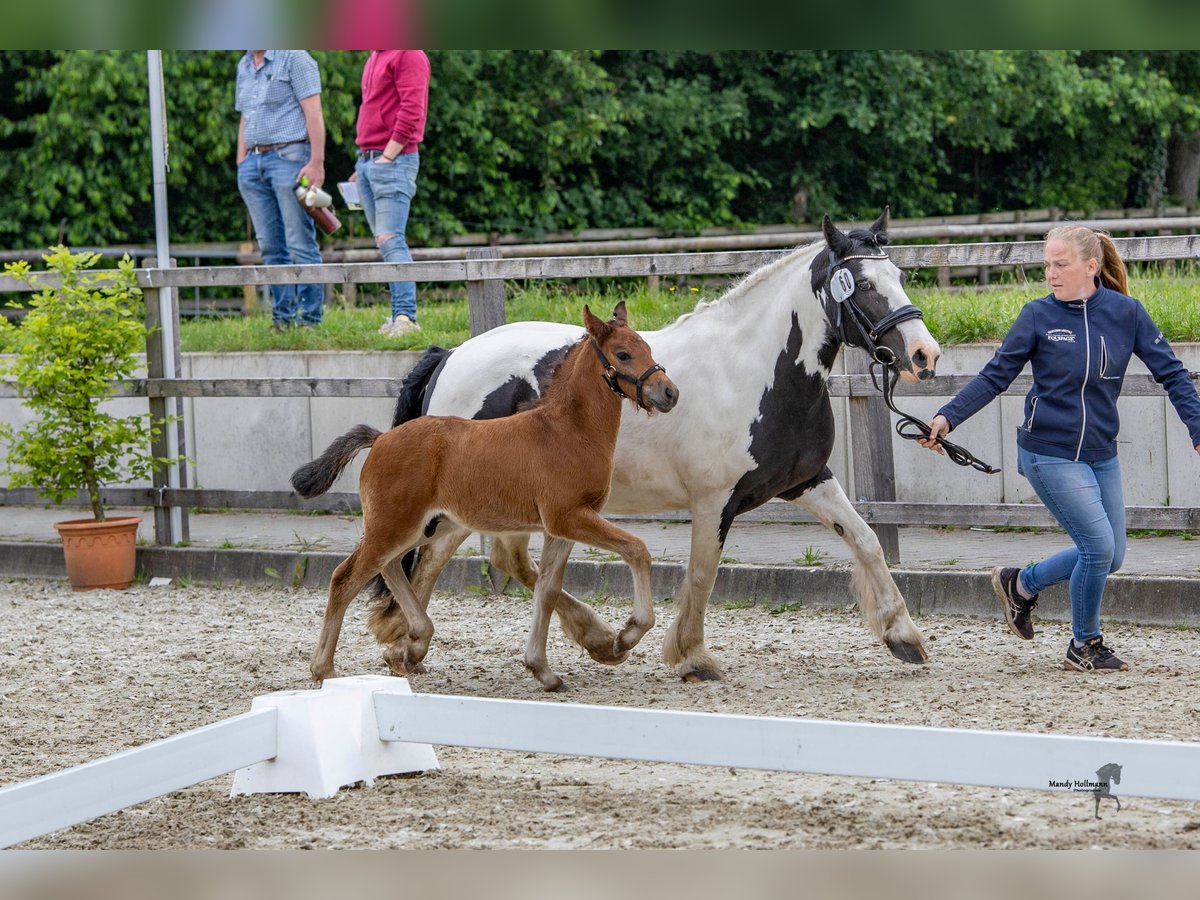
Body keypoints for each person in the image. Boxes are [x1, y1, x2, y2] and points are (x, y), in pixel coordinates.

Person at [920, 225, 1200, 672]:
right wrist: (946, 417)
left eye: (1060, 264)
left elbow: (1172, 372)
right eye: (1047, 263)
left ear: (1091, 267)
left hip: (1099, 453)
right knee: (1096, 548)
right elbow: (994, 376)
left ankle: (1021, 585)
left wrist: (1197, 429)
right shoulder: (1037, 316)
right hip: (1047, 451)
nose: (1049, 272)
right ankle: (1084, 645)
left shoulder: (1127, 313)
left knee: (1114, 554)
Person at [235, 49, 327, 330]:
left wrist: (316, 162)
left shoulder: (295, 58)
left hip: (290, 157)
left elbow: (314, 111)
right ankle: (282, 319)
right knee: (271, 246)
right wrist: (242, 161)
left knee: (300, 240)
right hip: (254, 161)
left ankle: (310, 319)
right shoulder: (245, 64)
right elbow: (245, 117)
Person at [351, 50, 430, 337]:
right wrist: (366, 163)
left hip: (393, 159)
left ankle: (406, 318)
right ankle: (399, 315)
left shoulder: (408, 53)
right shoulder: (375, 56)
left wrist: (387, 156)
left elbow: (412, 109)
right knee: (385, 243)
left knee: (391, 239)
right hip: (369, 158)